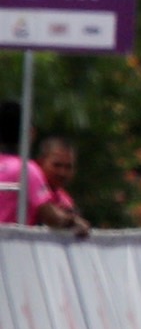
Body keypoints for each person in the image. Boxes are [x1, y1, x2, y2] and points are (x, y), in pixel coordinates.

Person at [1, 100, 74, 230]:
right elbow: (51, 217)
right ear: (30, 133)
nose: (62, 172)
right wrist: (75, 223)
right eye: (57, 165)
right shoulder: (26, 169)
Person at [35, 134, 91, 238]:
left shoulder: (66, 201)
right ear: (40, 162)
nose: (62, 172)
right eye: (57, 165)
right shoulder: (29, 185)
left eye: (68, 167)